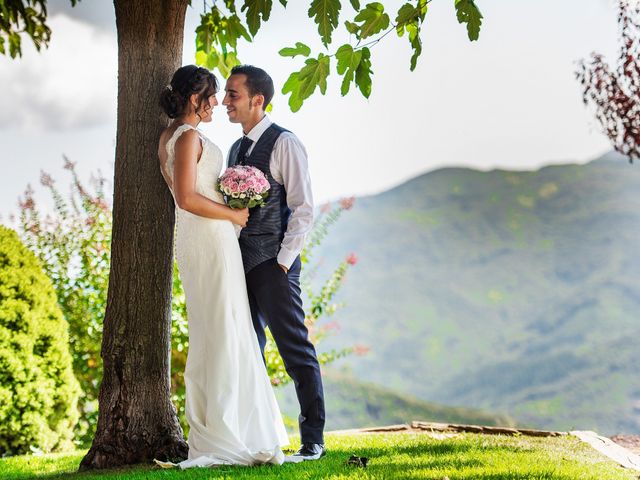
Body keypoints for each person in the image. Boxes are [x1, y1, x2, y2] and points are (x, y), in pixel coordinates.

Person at [157, 65, 288, 468]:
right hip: (209, 239)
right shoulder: (187, 136)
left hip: (210, 240)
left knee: (226, 326)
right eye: (211, 95)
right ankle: (222, 432)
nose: (217, 102)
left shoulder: (172, 135)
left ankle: (235, 424)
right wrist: (235, 215)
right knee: (221, 328)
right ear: (194, 99)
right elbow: (185, 197)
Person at [223, 65, 326, 461]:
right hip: (239, 264)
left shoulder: (286, 143)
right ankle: (254, 434)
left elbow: (303, 208)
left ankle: (312, 439)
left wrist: (283, 262)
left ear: (257, 100)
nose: (226, 103)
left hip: (274, 264)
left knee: (295, 349)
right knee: (247, 349)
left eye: (233, 95)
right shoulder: (234, 149)